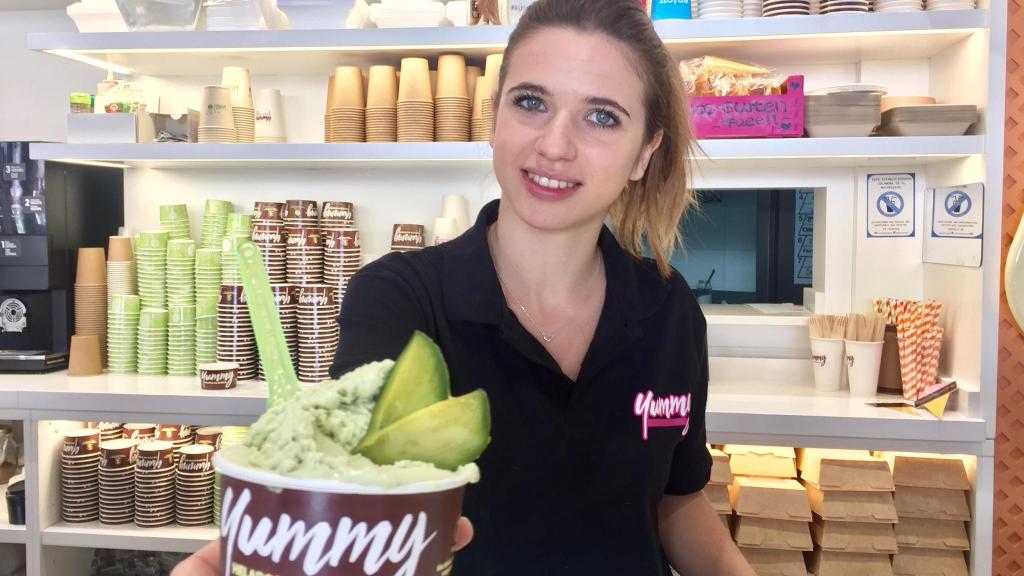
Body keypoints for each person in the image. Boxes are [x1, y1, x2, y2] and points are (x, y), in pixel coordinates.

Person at [174, 0, 755, 573]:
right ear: (495, 118)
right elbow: (351, 497)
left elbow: (676, 505)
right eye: (531, 102)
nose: (555, 145)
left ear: (644, 153)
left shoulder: (668, 307)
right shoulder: (399, 299)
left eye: (601, 117)